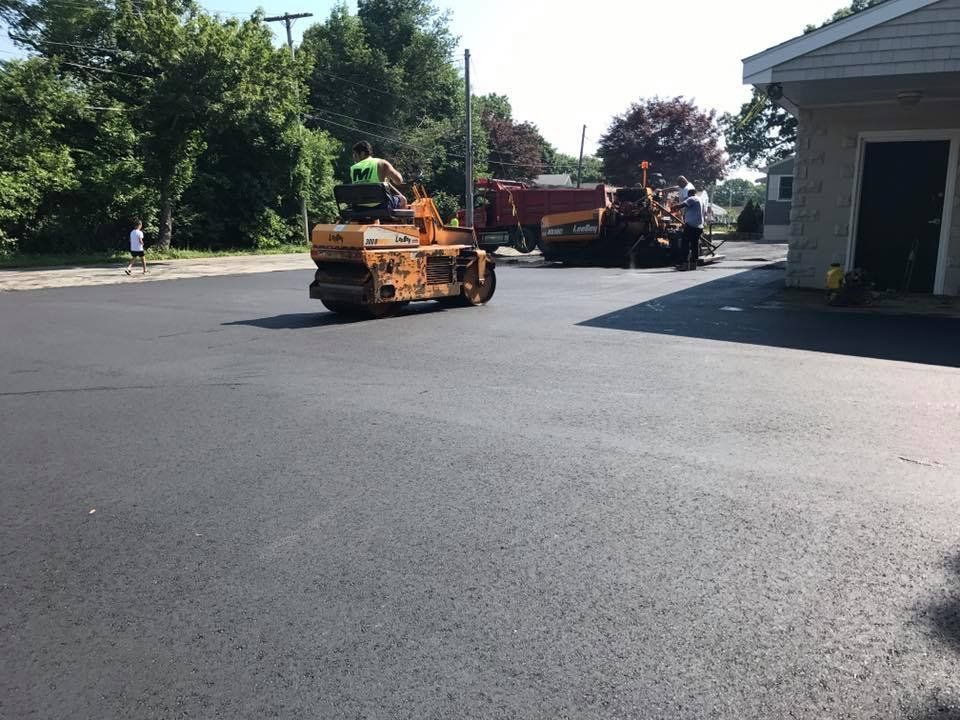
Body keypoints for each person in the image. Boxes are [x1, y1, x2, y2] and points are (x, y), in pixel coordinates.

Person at [349, 141, 408, 208]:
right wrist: (388, 175)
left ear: (362, 153)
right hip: (381, 205)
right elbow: (399, 181)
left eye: (355, 154)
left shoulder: (353, 168)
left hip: (360, 206)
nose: (354, 157)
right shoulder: (381, 163)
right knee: (403, 200)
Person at [674, 186, 705, 271]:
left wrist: (673, 207)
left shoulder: (692, 199)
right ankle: (693, 264)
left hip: (691, 226)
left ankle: (684, 264)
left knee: (685, 244)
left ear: (690, 194)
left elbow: (681, 205)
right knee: (694, 245)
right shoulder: (700, 199)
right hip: (699, 226)